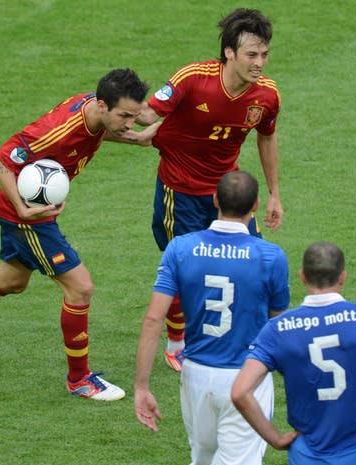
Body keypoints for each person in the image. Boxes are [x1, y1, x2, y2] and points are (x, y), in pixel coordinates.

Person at [0, 68, 152, 401]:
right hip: (27, 216)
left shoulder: (95, 112)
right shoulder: (56, 132)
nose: (129, 123)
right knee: (80, 289)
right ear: (101, 105)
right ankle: (79, 380)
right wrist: (23, 209)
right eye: (125, 116)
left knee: (11, 281)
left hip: (30, 211)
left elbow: (108, 130)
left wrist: (138, 136)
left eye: (134, 117)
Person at [120, 8, 284, 371]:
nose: (260, 63)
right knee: (185, 271)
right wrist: (121, 116)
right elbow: (150, 112)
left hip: (229, 193)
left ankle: (256, 343)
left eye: (265, 54)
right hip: (178, 192)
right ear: (229, 52)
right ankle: (177, 342)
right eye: (251, 55)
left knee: (254, 264)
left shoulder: (267, 96)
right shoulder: (193, 78)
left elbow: (267, 138)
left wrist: (274, 193)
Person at [134, 171, 290, 465]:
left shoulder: (180, 248)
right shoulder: (271, 257)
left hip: (195, 375)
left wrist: (142, 387)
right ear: (255, 205)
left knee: (203, 458)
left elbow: (154, 320)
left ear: (215, 199)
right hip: (248, 377)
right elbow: (279, 325)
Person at [231, 242, 356, 464]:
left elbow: (240, 392)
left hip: (306, 457)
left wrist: (276, 439)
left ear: (302, 276)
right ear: (342, 277)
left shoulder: (278, 329)